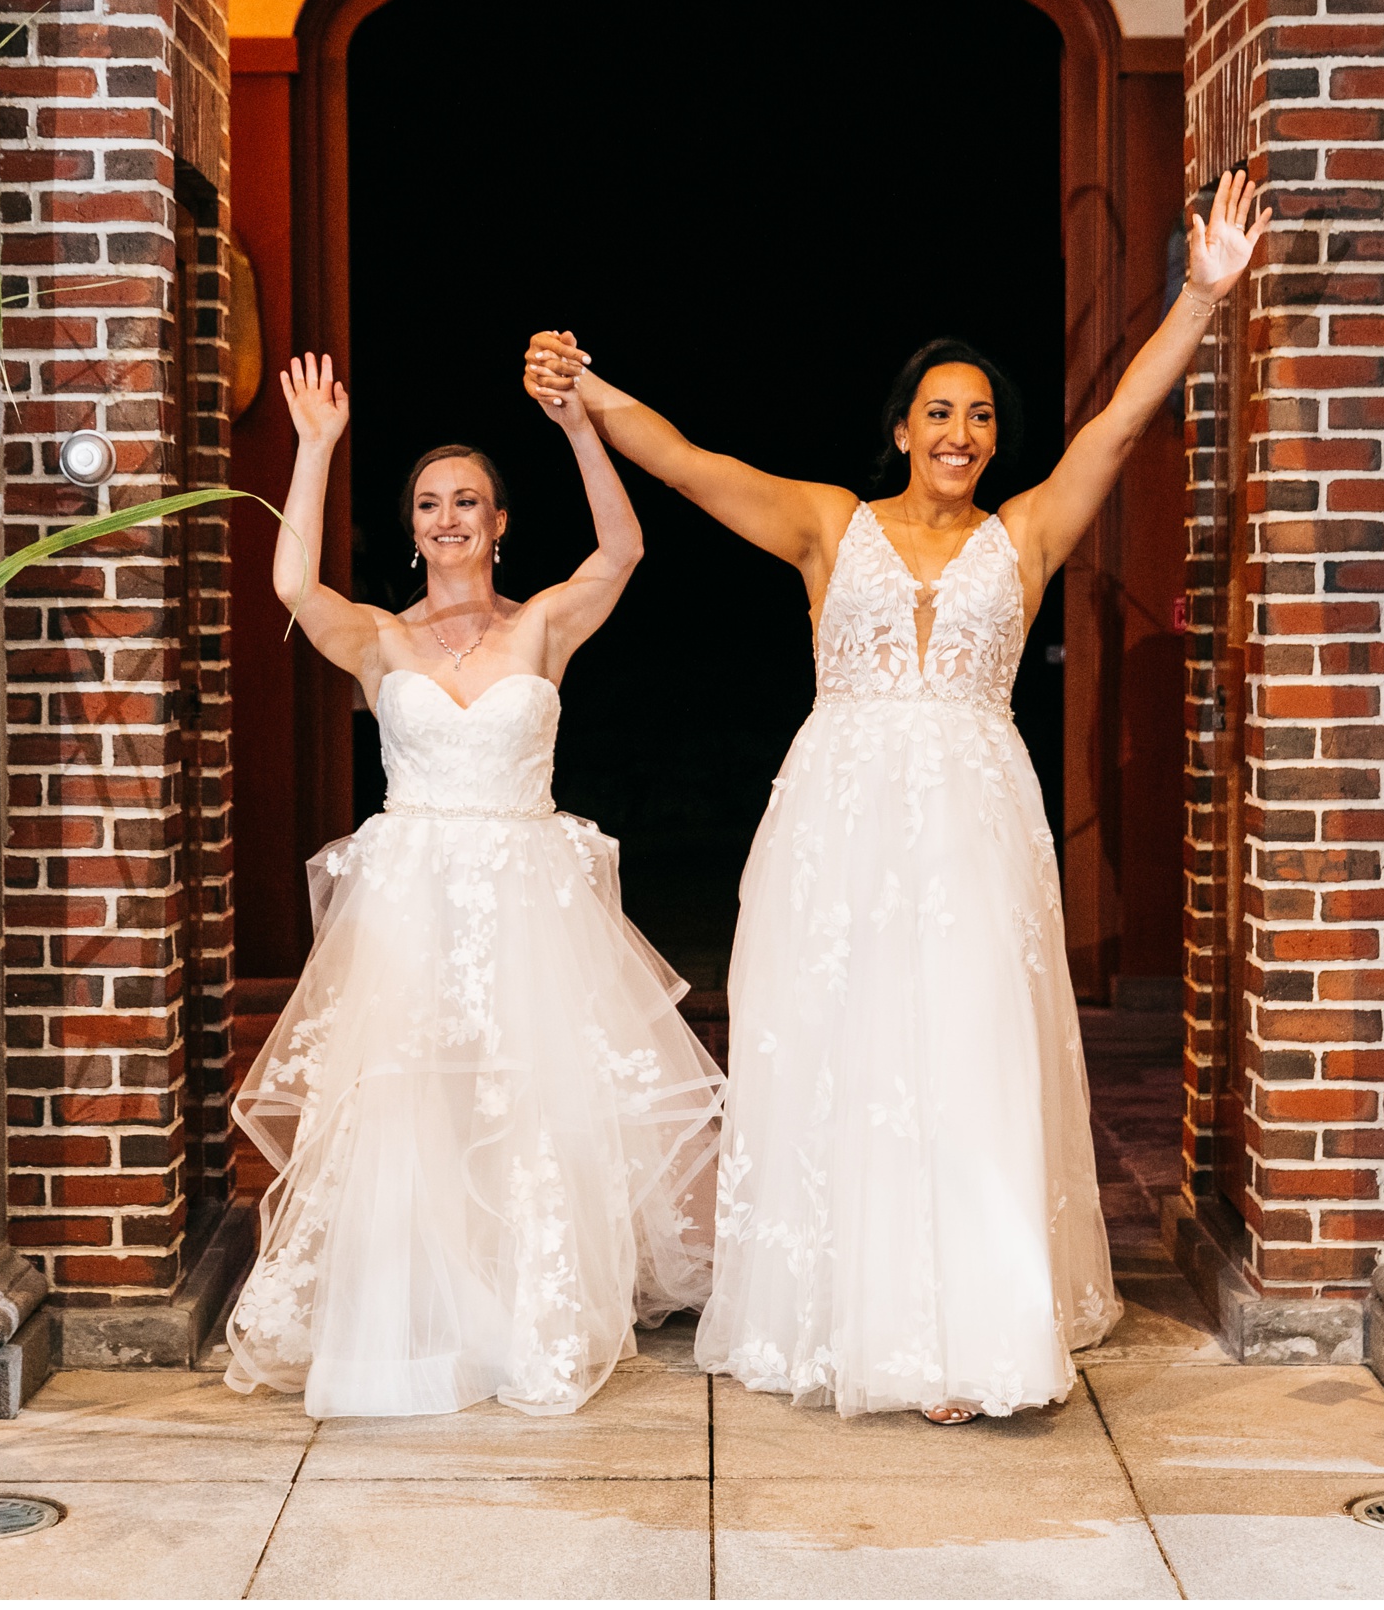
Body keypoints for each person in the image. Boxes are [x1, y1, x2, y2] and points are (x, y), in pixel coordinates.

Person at [523, 170, 1271, 1422]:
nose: (960, 434)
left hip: (974, 823)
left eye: (979, 416)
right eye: (939, 412)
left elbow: (1118, 432)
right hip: (839, 822)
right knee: (846, 1050)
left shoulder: (1023, 536)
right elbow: (695, 467)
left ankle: (966, 1325)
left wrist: (1201, 298)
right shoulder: (829, 526)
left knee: (966, 1054)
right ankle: (842, 1308)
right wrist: (579, 389)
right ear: (902, 426)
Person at [223, 352, 723, 1418]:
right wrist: (312, 448)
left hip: (528, 899)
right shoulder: (380, 636)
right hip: (408, 898)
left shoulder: (541, 624)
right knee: (412, 1104)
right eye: (428, 505)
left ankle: (523, 1319)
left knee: (526, 1102)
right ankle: (410, 1320)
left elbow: (625, 546)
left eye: (467, 503)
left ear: (499, 523)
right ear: (411, 528)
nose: (447, 518)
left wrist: (579, 423)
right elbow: (288, 587)